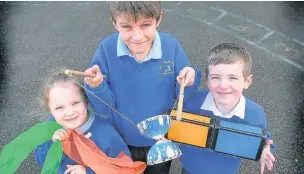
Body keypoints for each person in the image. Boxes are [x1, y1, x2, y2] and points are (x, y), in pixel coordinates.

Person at [83, 2, 201, 173]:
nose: (137, 37)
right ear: (114, 22)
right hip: (121, 141)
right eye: (127, 27)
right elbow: (103, 107)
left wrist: (190, 78)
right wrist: (95, 86)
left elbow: (183, 95)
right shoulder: (107, 49)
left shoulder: (170, 46)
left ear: (158, 18)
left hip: (160, 141)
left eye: (145, 25)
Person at [179, 43, 276, 174]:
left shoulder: (255, 114)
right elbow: (177, 123)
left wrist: (264, 149)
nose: (223, 85)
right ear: (207, 80)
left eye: (233, 78)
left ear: (247, 81)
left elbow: (263, 139)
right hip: (190, 168)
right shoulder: (194, 102)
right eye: (215, 77)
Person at [34, 71, 140, 174]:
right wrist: (54, 144)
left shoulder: (105, 133)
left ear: (86, 101)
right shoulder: (52, 128)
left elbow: (124, 167)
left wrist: (89, 172)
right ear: (50, 110)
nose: (69, 112)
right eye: (59, 108)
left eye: (75, 103)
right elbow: (41, 160)